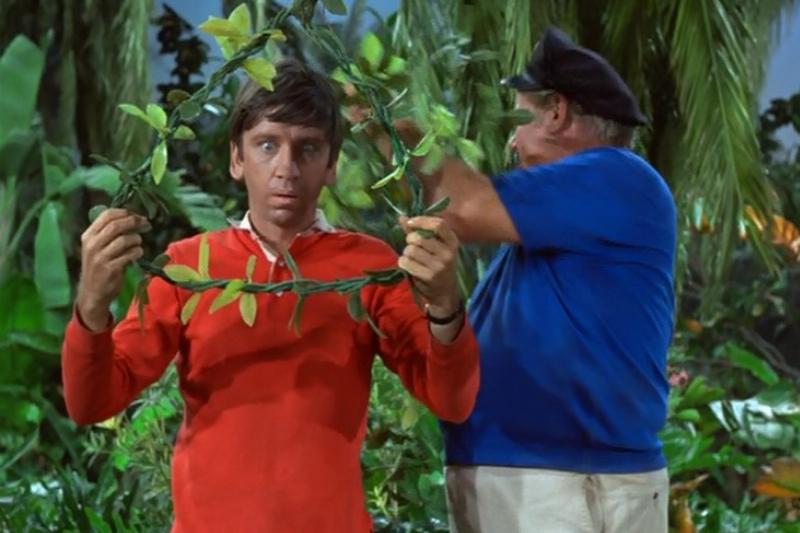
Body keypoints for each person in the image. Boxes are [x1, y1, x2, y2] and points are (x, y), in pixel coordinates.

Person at [61, 58, 480, 533]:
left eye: (307, 148)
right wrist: (92, 305)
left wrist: (445, 305)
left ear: (331, 164)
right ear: (237, 159)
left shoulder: (368, 266)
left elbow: (452, 401)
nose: (286, 168)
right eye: (266, 145)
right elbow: (91, 403)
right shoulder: (189, 267)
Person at [417, 27, 676, 533]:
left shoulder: (615, 175)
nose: (512, 142)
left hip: (556, 482)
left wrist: (388, 124)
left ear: (556, 113)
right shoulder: (547, 238)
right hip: (554, 479)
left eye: (519, 120)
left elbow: (459, 206)